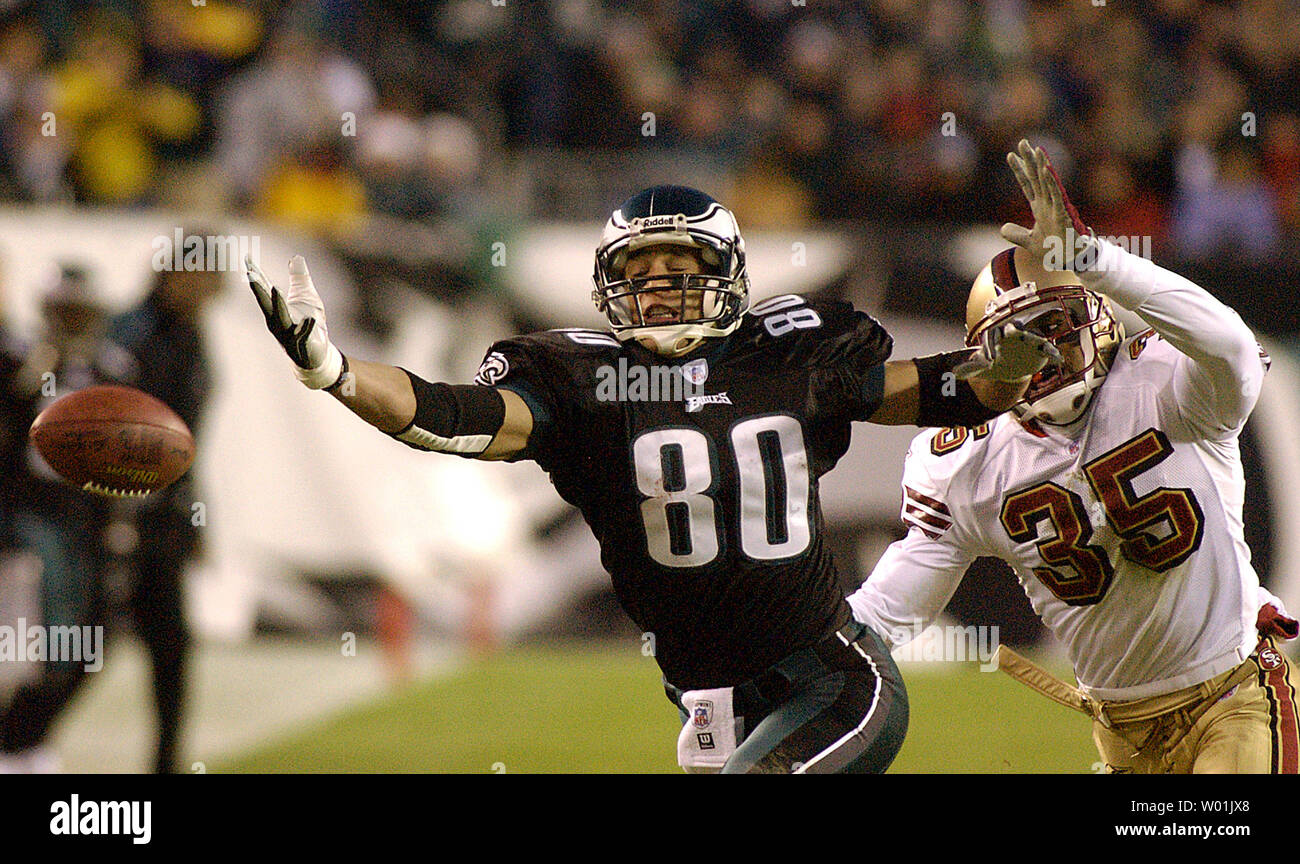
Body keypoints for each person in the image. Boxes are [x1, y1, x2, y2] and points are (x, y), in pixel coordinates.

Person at [246, 185, 1044, 773]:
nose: (659, 282)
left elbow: (957, 387)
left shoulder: (790, 355)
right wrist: (339, 372)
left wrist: (1010, 361)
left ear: (728, 273)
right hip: (708, 707)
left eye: (680, 263)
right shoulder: (579, 382)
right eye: (642, 267)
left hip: (831, 679)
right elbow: (451, 414)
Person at [849, 140, 1300, 774]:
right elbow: (896, 606)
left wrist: (1093, 258)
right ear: (983, 358)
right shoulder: (966, 459)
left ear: (1101, 319)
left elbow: (1228, 342)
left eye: (1057, 325)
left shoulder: (1165, 385)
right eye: (1019, 341)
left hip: (1232, 693)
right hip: (1121, 731)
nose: (1047, 353)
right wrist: (815, 646)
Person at [0, 264, 133, 772]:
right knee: (35, 643)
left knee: (91, 639)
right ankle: (19, 742)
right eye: (62, 309)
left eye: (78, 310)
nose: (71, 320)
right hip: (28, 516)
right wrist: (27, 380)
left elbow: (134, 455)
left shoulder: (115, 369)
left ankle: (26, 737)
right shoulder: (19, 361)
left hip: (91, 521)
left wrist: (124, 519)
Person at [106, 253, 221, 774]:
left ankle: (166, 761)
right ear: (180, 273)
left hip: (165, 516)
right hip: (114, 515)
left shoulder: (192, 334)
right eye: (208, 273)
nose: (216, 286)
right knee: (80, 641)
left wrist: (197, 517)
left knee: (171, 643)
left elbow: (185, 444)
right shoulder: (131, 334)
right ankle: (20, 743)